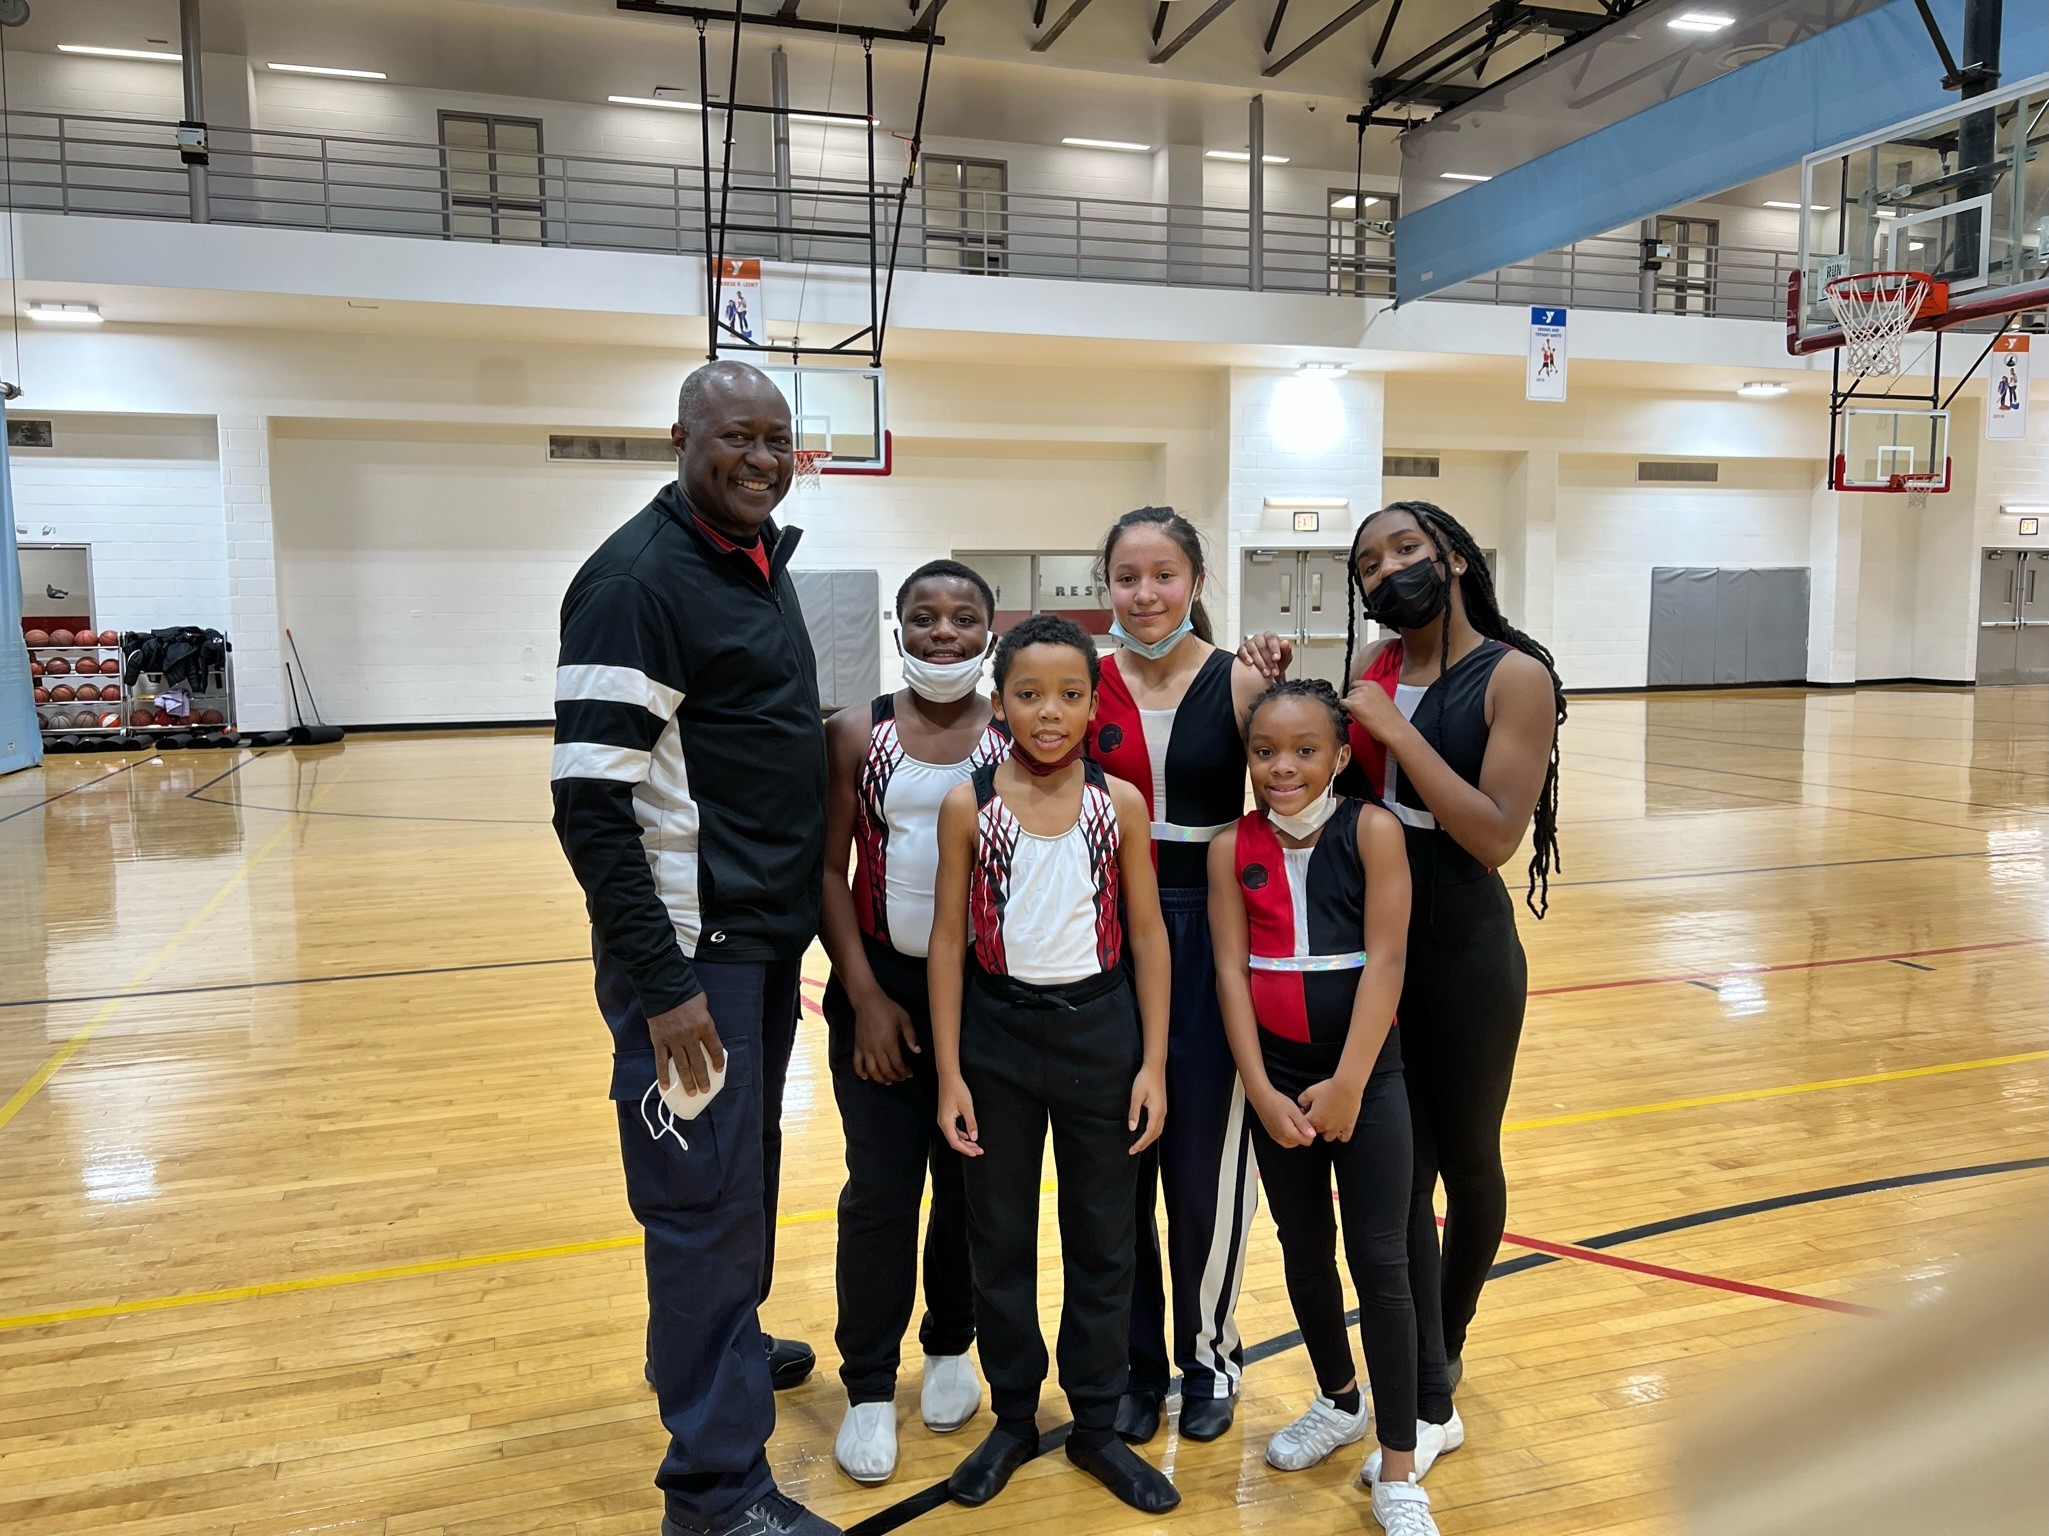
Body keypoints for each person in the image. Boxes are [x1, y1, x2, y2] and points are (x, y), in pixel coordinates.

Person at [551, 358, 835, 1536]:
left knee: (741, 1173)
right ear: (679, 440)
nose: (760, 458)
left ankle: (726, 1342)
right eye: (734, 437)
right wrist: (665, 987)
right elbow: (589, 807)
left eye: (776, 438)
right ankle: (716, 1493)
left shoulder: (751, 558)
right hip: (689, 955)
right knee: (701, 1202)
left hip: (758, 942)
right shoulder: (636, 581)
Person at [1241, 499, 1565, 1475]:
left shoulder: (1514, 675)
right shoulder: (1372, 672)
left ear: (1454, 557)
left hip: (1462, 951)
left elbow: (1495, 834)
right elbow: (1316, 776)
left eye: (1405, 551)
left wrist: (1395, 728)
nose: (1387, 572)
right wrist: (1268, 681)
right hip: (1370, 945)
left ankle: (1445, 1350)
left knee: (1466, 1158)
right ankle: (1415, 1372)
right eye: (1369, 564)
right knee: (1401, 1175)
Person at [926, 614, 1180, 1514]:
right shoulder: (968, 806)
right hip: (995, 1039)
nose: (1048, 712)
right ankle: (1011, 1416)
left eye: (1069, 695)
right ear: (998, 702)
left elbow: (1147, 936)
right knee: (997, 1238)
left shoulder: (1121, 806)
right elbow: (946, 943)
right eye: (1028, 694)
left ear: (1093, 705)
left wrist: (1152, 1063)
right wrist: (950, 1073)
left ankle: (1097, 1425)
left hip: (1100, 1035)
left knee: (1103, 1240)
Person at [1208, 679, 1436, 1536]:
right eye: (1264, 751)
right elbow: (1229, 971)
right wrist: (1259, 1087)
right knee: (1302, 1249)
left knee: (1380, 1264)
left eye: (1305, 750)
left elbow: (1387, 960)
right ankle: (1338, 1400)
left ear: (1341, 755)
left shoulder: (1371, 830)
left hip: (1365, 1080)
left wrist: (1348, 1082)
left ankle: (1400, 1465)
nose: (1282, 767)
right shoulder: (1229, 846)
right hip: (1275, 1081)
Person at [817, 560, 1006, 1484]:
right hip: (882, 992)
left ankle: (950, 1344)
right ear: (898, 631)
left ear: (988, 634)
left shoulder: (1016, 733)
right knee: (881, 1192)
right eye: (923, 618)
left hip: (987, 997)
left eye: (962, 618)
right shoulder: (858, 732)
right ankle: (865, 1384)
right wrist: (862, 998)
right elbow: (827, 870)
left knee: (969, 1186)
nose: (943, 633)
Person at [1089, 506, 1274, 1445]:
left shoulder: (1242, 679)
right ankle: (1134, 1364)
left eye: (1164, 574)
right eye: (1127, 576)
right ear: (1106, 586)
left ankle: (1208, 1357)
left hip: (1210, 928)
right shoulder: (1080, 682)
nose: (1145, 593)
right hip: (1103, 933)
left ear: (1196, 581)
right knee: (1117, 1164)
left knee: (1204, 1166)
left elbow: (1295, 786)